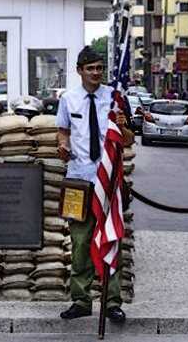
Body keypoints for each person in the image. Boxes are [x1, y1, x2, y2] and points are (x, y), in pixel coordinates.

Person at [55, 47, 134, 324]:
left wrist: (123, 126)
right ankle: (81, 300)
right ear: (79, 71)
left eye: (100, 68)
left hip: (108, 181)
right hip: (78, 180)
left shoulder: (115, 97)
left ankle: (112, 302)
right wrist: (62, 146)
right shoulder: (68, 99)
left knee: (111, 239)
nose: (96, 73)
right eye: (90, 68)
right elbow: (63, 132)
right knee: (80, 242)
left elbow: (127, 140)